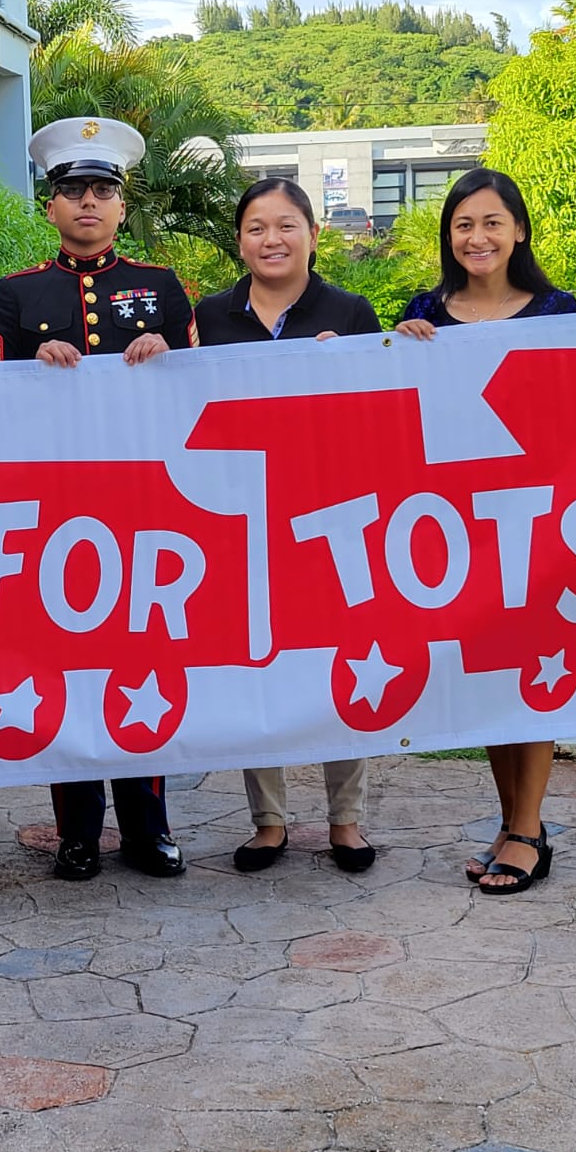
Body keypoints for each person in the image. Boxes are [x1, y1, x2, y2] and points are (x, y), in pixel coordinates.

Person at [0, 116, 197, 882]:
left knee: (143, 663)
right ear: (50, 206)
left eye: (102, 189)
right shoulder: (16, 296)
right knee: (66, 667)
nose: (87, 203)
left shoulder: (164, 290)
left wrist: (170, 357)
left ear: (121, 205)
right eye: (72, 190)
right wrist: (26, 368)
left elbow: (198, 399)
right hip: (55, 513)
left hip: (145, 507)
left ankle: (150, 828)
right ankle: (77, 832)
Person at [395, 167, 576, 895]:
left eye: (492, 223)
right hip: (460, 526)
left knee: (533, 678)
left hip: (541, 518)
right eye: (463, 225)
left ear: (519, 231)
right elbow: (404, 416)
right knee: (490, 681)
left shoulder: (560, 312)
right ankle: (509, 824)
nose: (477, 237)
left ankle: (530, 830)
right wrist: (401, 346)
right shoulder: (425, 312)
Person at [195, 177, 380, 875]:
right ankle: (267, 819)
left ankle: (346, 818)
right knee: (258, 660)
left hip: (333, 510)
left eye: (285, 226)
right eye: (255, 227)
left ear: (312, 233)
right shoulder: (208, 316)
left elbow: (379, 413)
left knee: (341, 655)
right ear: (238, 240)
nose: (271, 240)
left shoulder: (352, 311)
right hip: (240, 513)